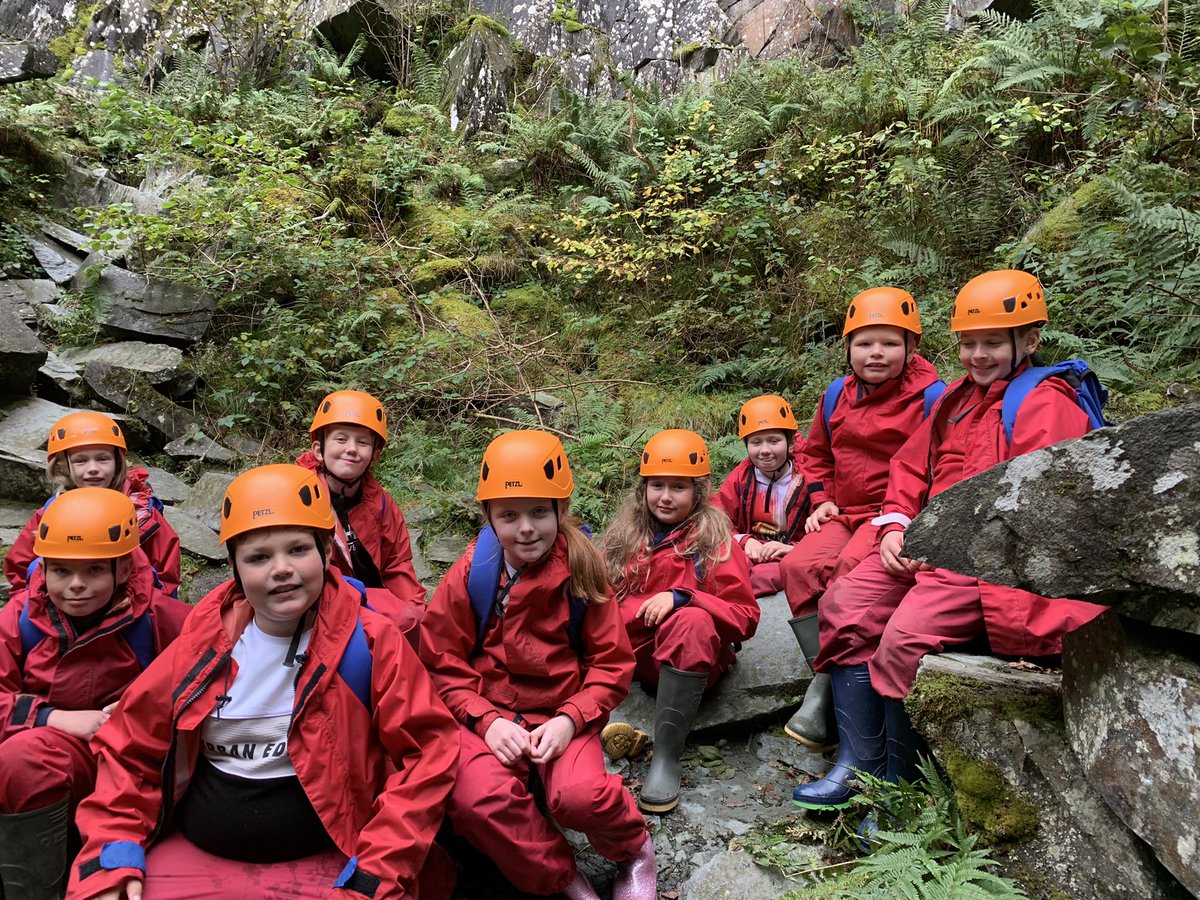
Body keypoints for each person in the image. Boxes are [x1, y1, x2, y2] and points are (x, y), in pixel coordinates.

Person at [65, 464, 460, 900]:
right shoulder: (205, 641)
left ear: (326, 549)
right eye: (258, 557)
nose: (281, 569)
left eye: (297, 549)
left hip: (335, 855)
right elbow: (131, 749)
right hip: (197, 851)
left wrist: (374, 875)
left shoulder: (369, 642)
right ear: (233, 567)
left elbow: (427, 755)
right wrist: (113, 858)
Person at [792, 270, 1107, 811]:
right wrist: (894, 525)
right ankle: (857, 763)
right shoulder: (956, 400)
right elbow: (911, 467)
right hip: (929, 546)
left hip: (984, 563)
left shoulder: (1045, 403)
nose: (977, 355)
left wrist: (943, 552)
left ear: (1029, 341)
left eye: (991, 343)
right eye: (967, 343)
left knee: (902, 638)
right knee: (844, 603)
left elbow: (1037, 510)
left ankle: (899, 788)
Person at [419, 431, 655, 900]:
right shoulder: (473, 573)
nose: (525, 528)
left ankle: (633, 849)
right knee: (475, 800)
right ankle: (562, 875)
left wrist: (570, 720)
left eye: (539, 512)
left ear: (560, 511)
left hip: (562, 710)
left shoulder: (583, 569)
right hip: (489, 712)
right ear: (488, 516)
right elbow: (442, 663)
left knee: (578, 797)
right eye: (509, 515)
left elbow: (611, 663)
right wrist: (486, 723)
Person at [0, 488, 189, 900]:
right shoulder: (20, 619)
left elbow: (216, 670)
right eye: (61, 571)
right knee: (22, 757)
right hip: (60, 754)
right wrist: (52, 717)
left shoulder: (160, 617)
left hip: (137, 760)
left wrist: (147, 709)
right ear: (43, 568)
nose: (76, 586)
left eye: (93, 571)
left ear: (122, 570)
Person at [780, 288, 943, 751]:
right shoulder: (836, 394)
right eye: (865, 342)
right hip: (844, 511)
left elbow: (933, 466)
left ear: (912, 348)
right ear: (848, 347)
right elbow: (814, 454)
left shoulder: (932, 397)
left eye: (890, 343)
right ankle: (829, 679)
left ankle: (826, 692)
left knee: (847, 574)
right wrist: (821, 500)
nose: (876, 353)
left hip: (891, 515)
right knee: (797, 567)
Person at [601, 429, 760, 814]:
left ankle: (666, 757)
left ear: (699, 492)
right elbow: (600, 603)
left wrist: (683, 597)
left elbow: (744, 618)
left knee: (689, 622)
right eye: (657, 486)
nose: (666, 497)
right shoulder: (626, 536)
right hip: (637, 658)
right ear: (644, 489)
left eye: (678, 487)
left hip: (694, 660)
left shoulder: (716, 542)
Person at [5, 411, 181, 597]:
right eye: (80, 461)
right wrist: (29, 604)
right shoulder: (53, 510)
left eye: (103, 458)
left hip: (128, 609)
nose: (93, 469)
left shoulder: (143, 514)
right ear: (64, 466)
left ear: (117, 462)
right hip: (63, 608)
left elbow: (165, 576)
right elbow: (20, 564)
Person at [297, 390, 427, 641]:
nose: (352, 449)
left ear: (374, 456)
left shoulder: (381, 505)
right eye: (341, 439)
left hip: (374, 606)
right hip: (321, 607)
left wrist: (414, 610)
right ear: (319, 449)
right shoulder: (299, 498)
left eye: (363, 442)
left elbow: (397, 565)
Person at [713, 395, 808, 597]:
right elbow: (717, 520)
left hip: (790, 553)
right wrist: (746, 541)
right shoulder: (741, 477)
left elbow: (826, 529)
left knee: (765, 576)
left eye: (774, 441)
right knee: (721, 566)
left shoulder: (807, 477)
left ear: (790, 443)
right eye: (756, 442)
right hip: (751, 549)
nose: (765, 451)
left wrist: (793, 549)